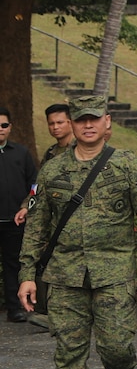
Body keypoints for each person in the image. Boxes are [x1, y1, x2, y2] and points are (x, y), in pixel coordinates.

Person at [18, 92, 137, 369]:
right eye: (80, 119)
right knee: (68, 356)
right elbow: (36, 227)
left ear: (107, 123)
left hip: (113, 274)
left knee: (117, 348)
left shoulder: (127, 166)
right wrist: (27, 275)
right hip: (65, 277)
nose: (87, 125)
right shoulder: (52, 170)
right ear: (71, 123)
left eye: (93, 119)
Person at [28, 102, 74, 328]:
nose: (55, 127)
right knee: (46, 261)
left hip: (75, 219)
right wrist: (26, 206)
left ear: (70, 122)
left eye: (60, 122)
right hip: (53, 218)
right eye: (51, 124)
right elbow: (39, 186)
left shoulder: (80, 149)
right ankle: (49, 313)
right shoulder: (51, 153)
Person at [1, 105, 37, 323]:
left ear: (10, 127)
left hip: (15, 221)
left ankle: (15, 309)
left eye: (4, 125)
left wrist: (26, 207)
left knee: (13, 266)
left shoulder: (21, 153)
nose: (0, 129)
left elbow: (35, 185)